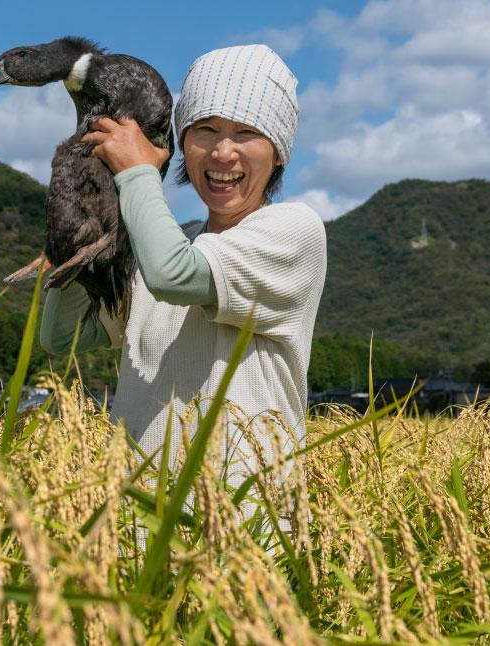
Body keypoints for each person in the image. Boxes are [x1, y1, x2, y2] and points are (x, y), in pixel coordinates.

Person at [39, 44, 326, 495]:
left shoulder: (292, 230)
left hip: (242, 536)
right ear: (180, 144)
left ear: (279, 153)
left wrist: (136, 173)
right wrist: (77, 225)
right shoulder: (167, 242)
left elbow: (173, 275)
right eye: (205, 130)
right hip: (135, 534)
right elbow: (61, 335)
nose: (223, 153)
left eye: (247, 132)